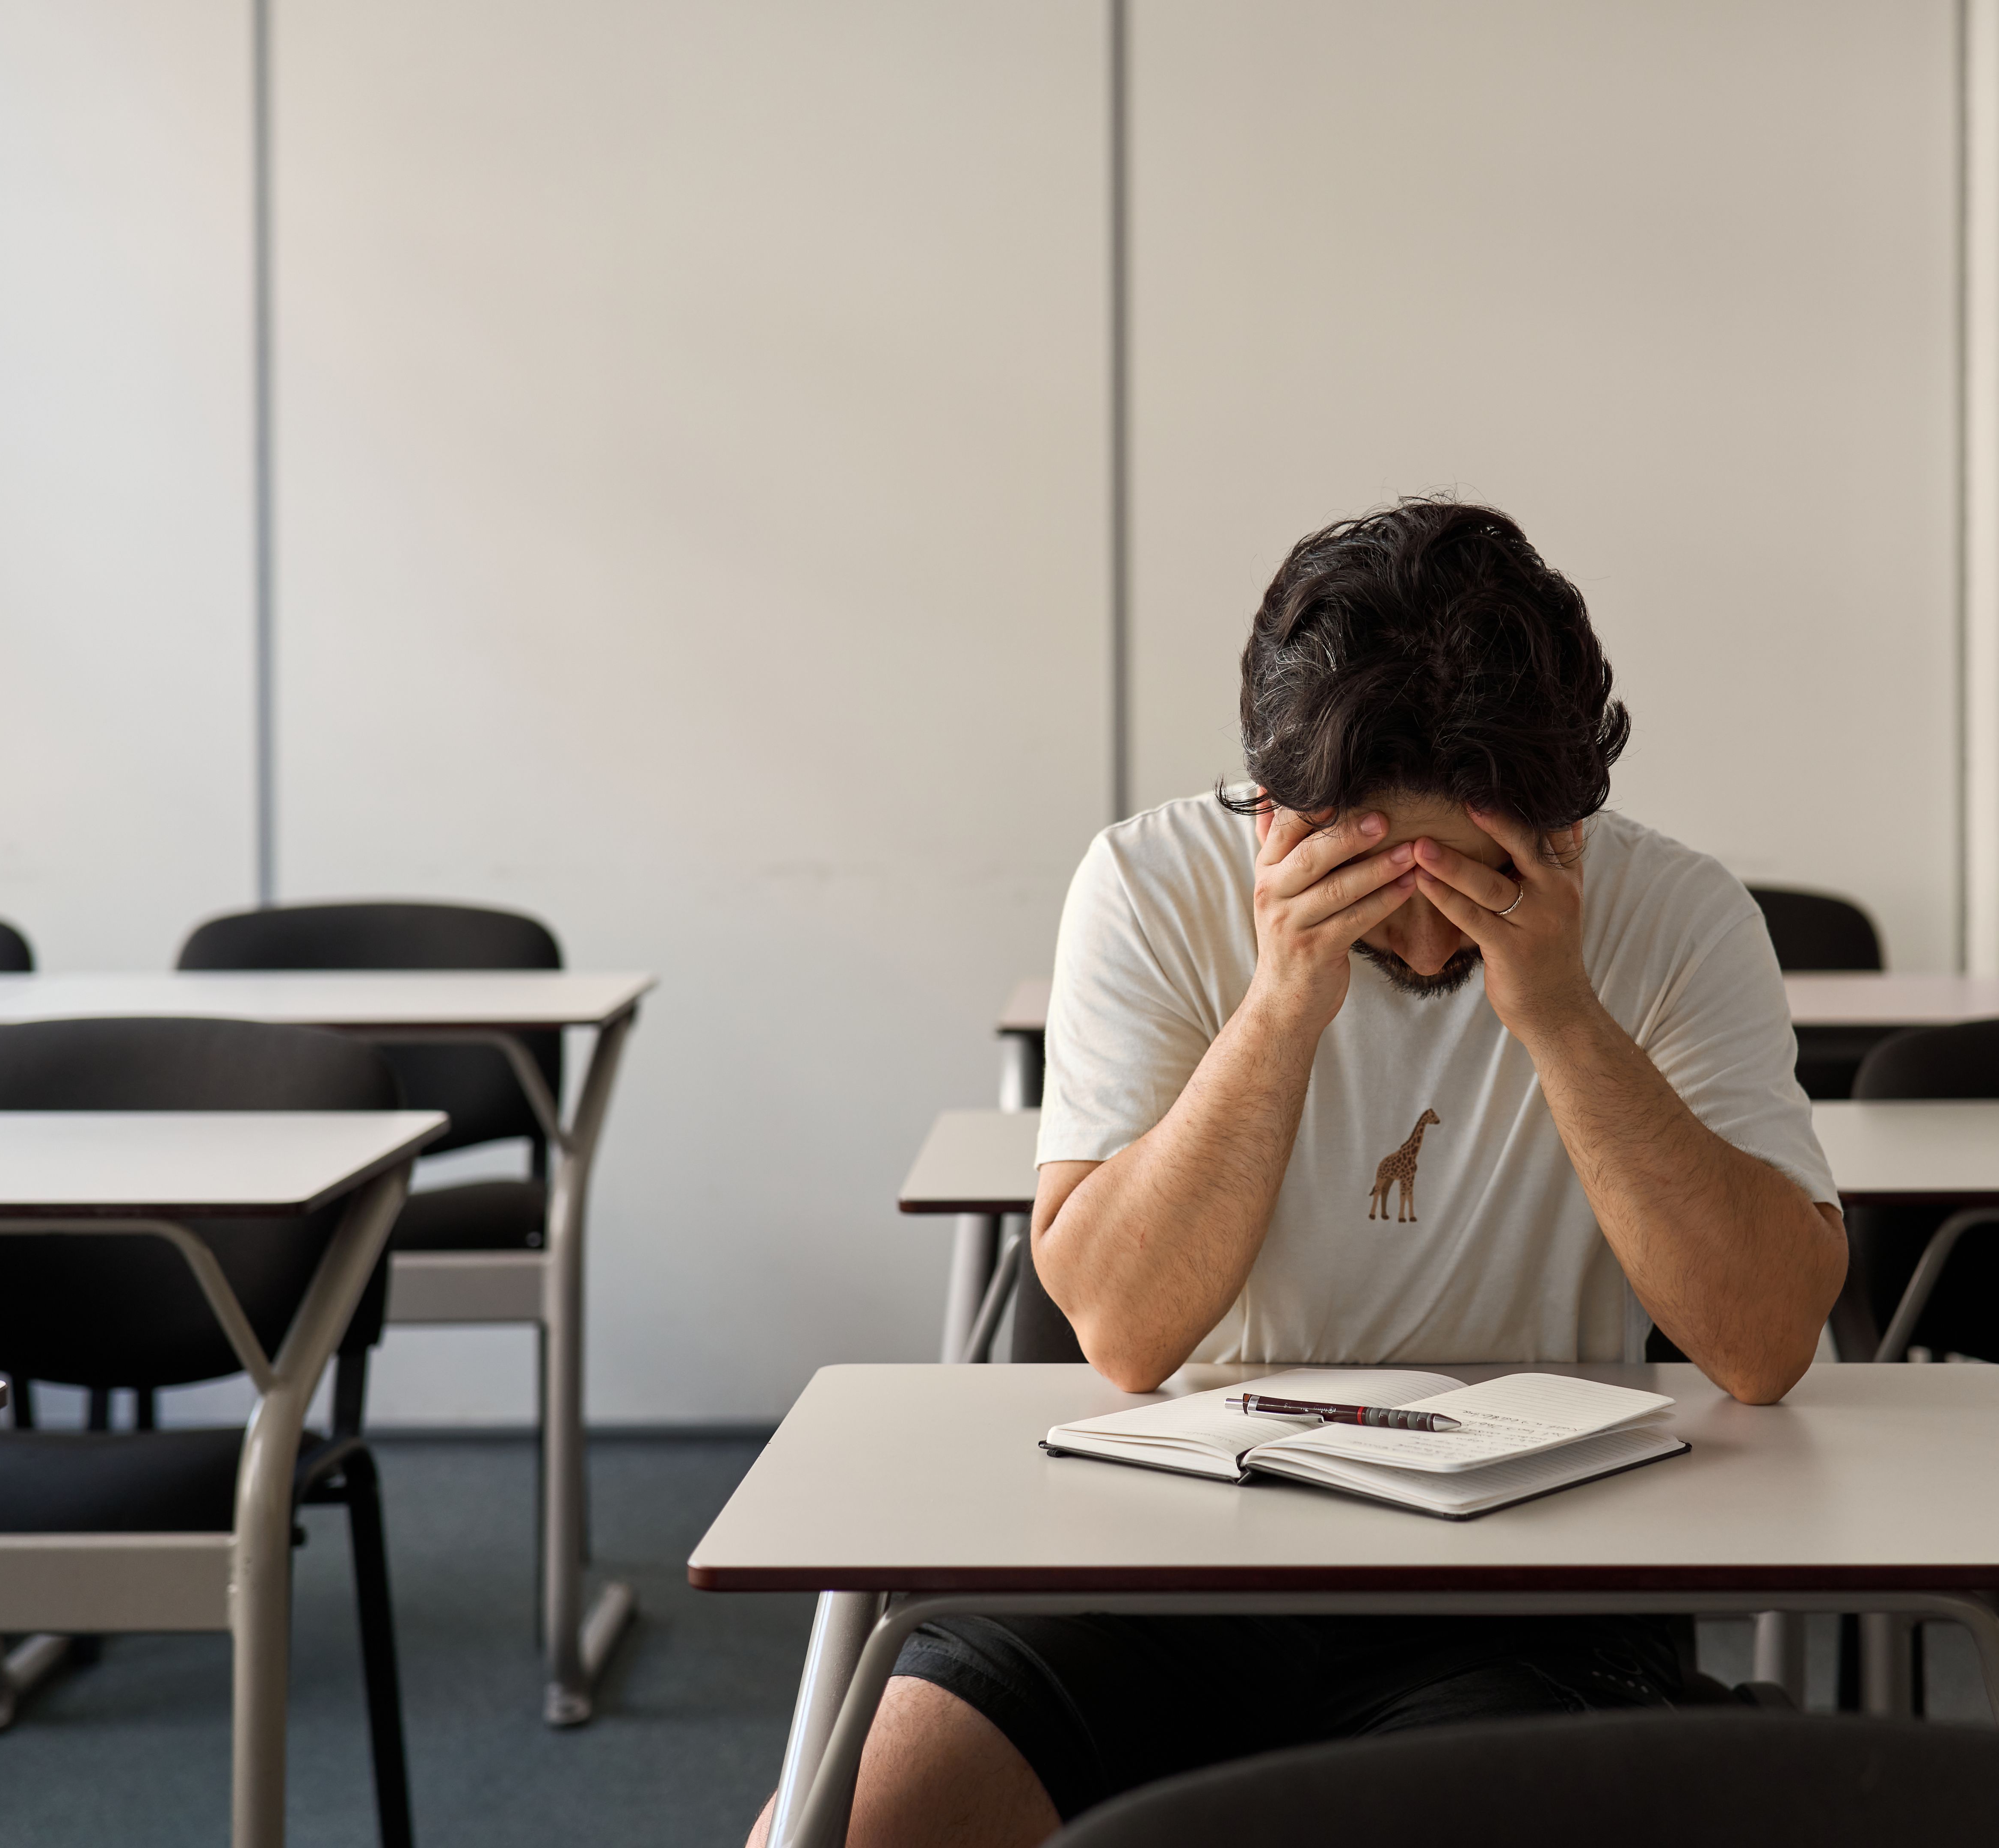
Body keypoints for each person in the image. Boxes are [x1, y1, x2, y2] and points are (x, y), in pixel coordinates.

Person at [752, 499, 1845, 1848]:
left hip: (1529, 1577)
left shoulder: (1677, 914)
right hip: (1158, 1544)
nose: (1439, 942)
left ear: (1567, 826)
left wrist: (1558, 1009)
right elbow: (1125, 1327)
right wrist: (1280, 1004)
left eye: (1483, 880)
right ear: (1275, 815)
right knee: (855, 1826)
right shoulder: (1148, 886)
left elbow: (1763, 1344)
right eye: (1386, 881)